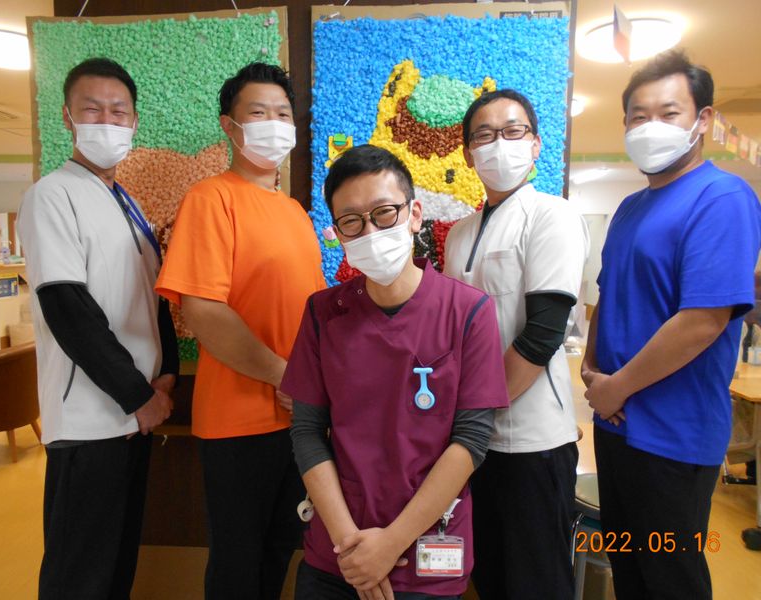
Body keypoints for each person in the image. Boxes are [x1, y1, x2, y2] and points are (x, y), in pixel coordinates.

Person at [282, 144, 509, 600]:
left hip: (428, 552)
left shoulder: (468, 311)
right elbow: (306, 430)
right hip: (338, 554)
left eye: (384, 213)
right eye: (352, 221)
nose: (370, 231)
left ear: (414, 214)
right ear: (338, 233)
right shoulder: (324, 313)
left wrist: (389, 545)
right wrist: (353, 548)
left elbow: (471, 439)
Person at [582, 50, 761, 599]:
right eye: (638, 116)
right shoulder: (631, 208)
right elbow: (607, 294)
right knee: (629, 573)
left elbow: (703, 320)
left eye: (668, 113)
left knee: (671, 581)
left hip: (673, 436)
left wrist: (616, 386)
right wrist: (590, 367)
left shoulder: (722, 197)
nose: (650, 127)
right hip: (616, 427)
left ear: (702, 120)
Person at [155, 62, 325, 599]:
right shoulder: (211, 198)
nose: (274, 124)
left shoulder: (296, 213)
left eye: (283, 114)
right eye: (258, 112)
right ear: (229, 126)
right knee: (237, 564)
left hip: (298, 420)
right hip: (237, 422)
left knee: (279, 552)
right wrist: (285, 376)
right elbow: (204, 312)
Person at [17, 57, 178, 600]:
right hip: (89, 425)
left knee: (115, 570)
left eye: (118, 112)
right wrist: (139, 395)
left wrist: (166, 374)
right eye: (92, 110)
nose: (107, 122)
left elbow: (151, 298)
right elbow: (67, 308)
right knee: (78, 577)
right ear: (67, 117)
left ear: (134, 122)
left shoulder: (126, 203)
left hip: (134, 418)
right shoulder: (52, 195)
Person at [443, 89, 589, 600]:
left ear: (536, 144)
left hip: (532, 442)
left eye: (512, 131)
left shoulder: (552, 215)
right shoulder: (459, 234)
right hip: (474, 445)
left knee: (537, 582)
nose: (499, 144)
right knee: (488, 576)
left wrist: (475, 412)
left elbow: (543, 334)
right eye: (484, 135)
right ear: (468, 154)